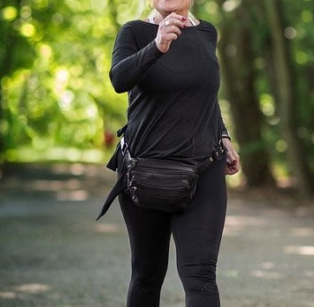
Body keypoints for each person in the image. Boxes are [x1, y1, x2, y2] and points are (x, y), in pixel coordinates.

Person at [102, 0, 240, 306]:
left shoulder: (207, 33)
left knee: (201, 275)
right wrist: (157, 45)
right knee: (147, 276)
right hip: (144, 170)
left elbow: (204, 97)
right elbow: (118, 79)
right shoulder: (134, 32)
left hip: (204, 169)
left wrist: (223, 135)